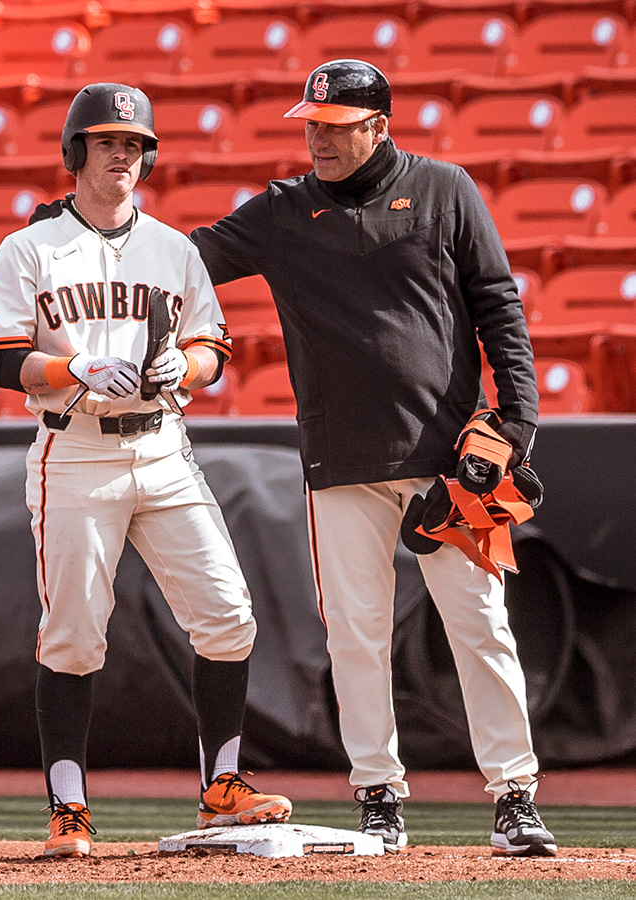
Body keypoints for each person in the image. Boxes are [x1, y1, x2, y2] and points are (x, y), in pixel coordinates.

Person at [189, 60, 556, 857]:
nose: (317, 137)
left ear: (379, 126)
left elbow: (500, 306)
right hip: (339, 459)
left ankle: (514, 796)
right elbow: (188, 259)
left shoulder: (447, 189)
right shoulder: (285, 211)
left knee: (480, 627)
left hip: (449, 463)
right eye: (310, 124)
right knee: (355, 635)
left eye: (335, 125)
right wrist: (91, 236)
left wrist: (517, 425)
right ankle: (378, 795)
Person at [0, 82, 292, 858]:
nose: (123, 155)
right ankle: (69, 804)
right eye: (108, 141)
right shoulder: (31, 248)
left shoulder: (174, 248)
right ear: (76, 151)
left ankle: (221, 785)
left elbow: (214, 351)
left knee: (228, 615)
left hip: (163, 445)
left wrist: (177, 366)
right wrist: (75, 364)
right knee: (76, 635)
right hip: (75, 447)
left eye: (135, 144)